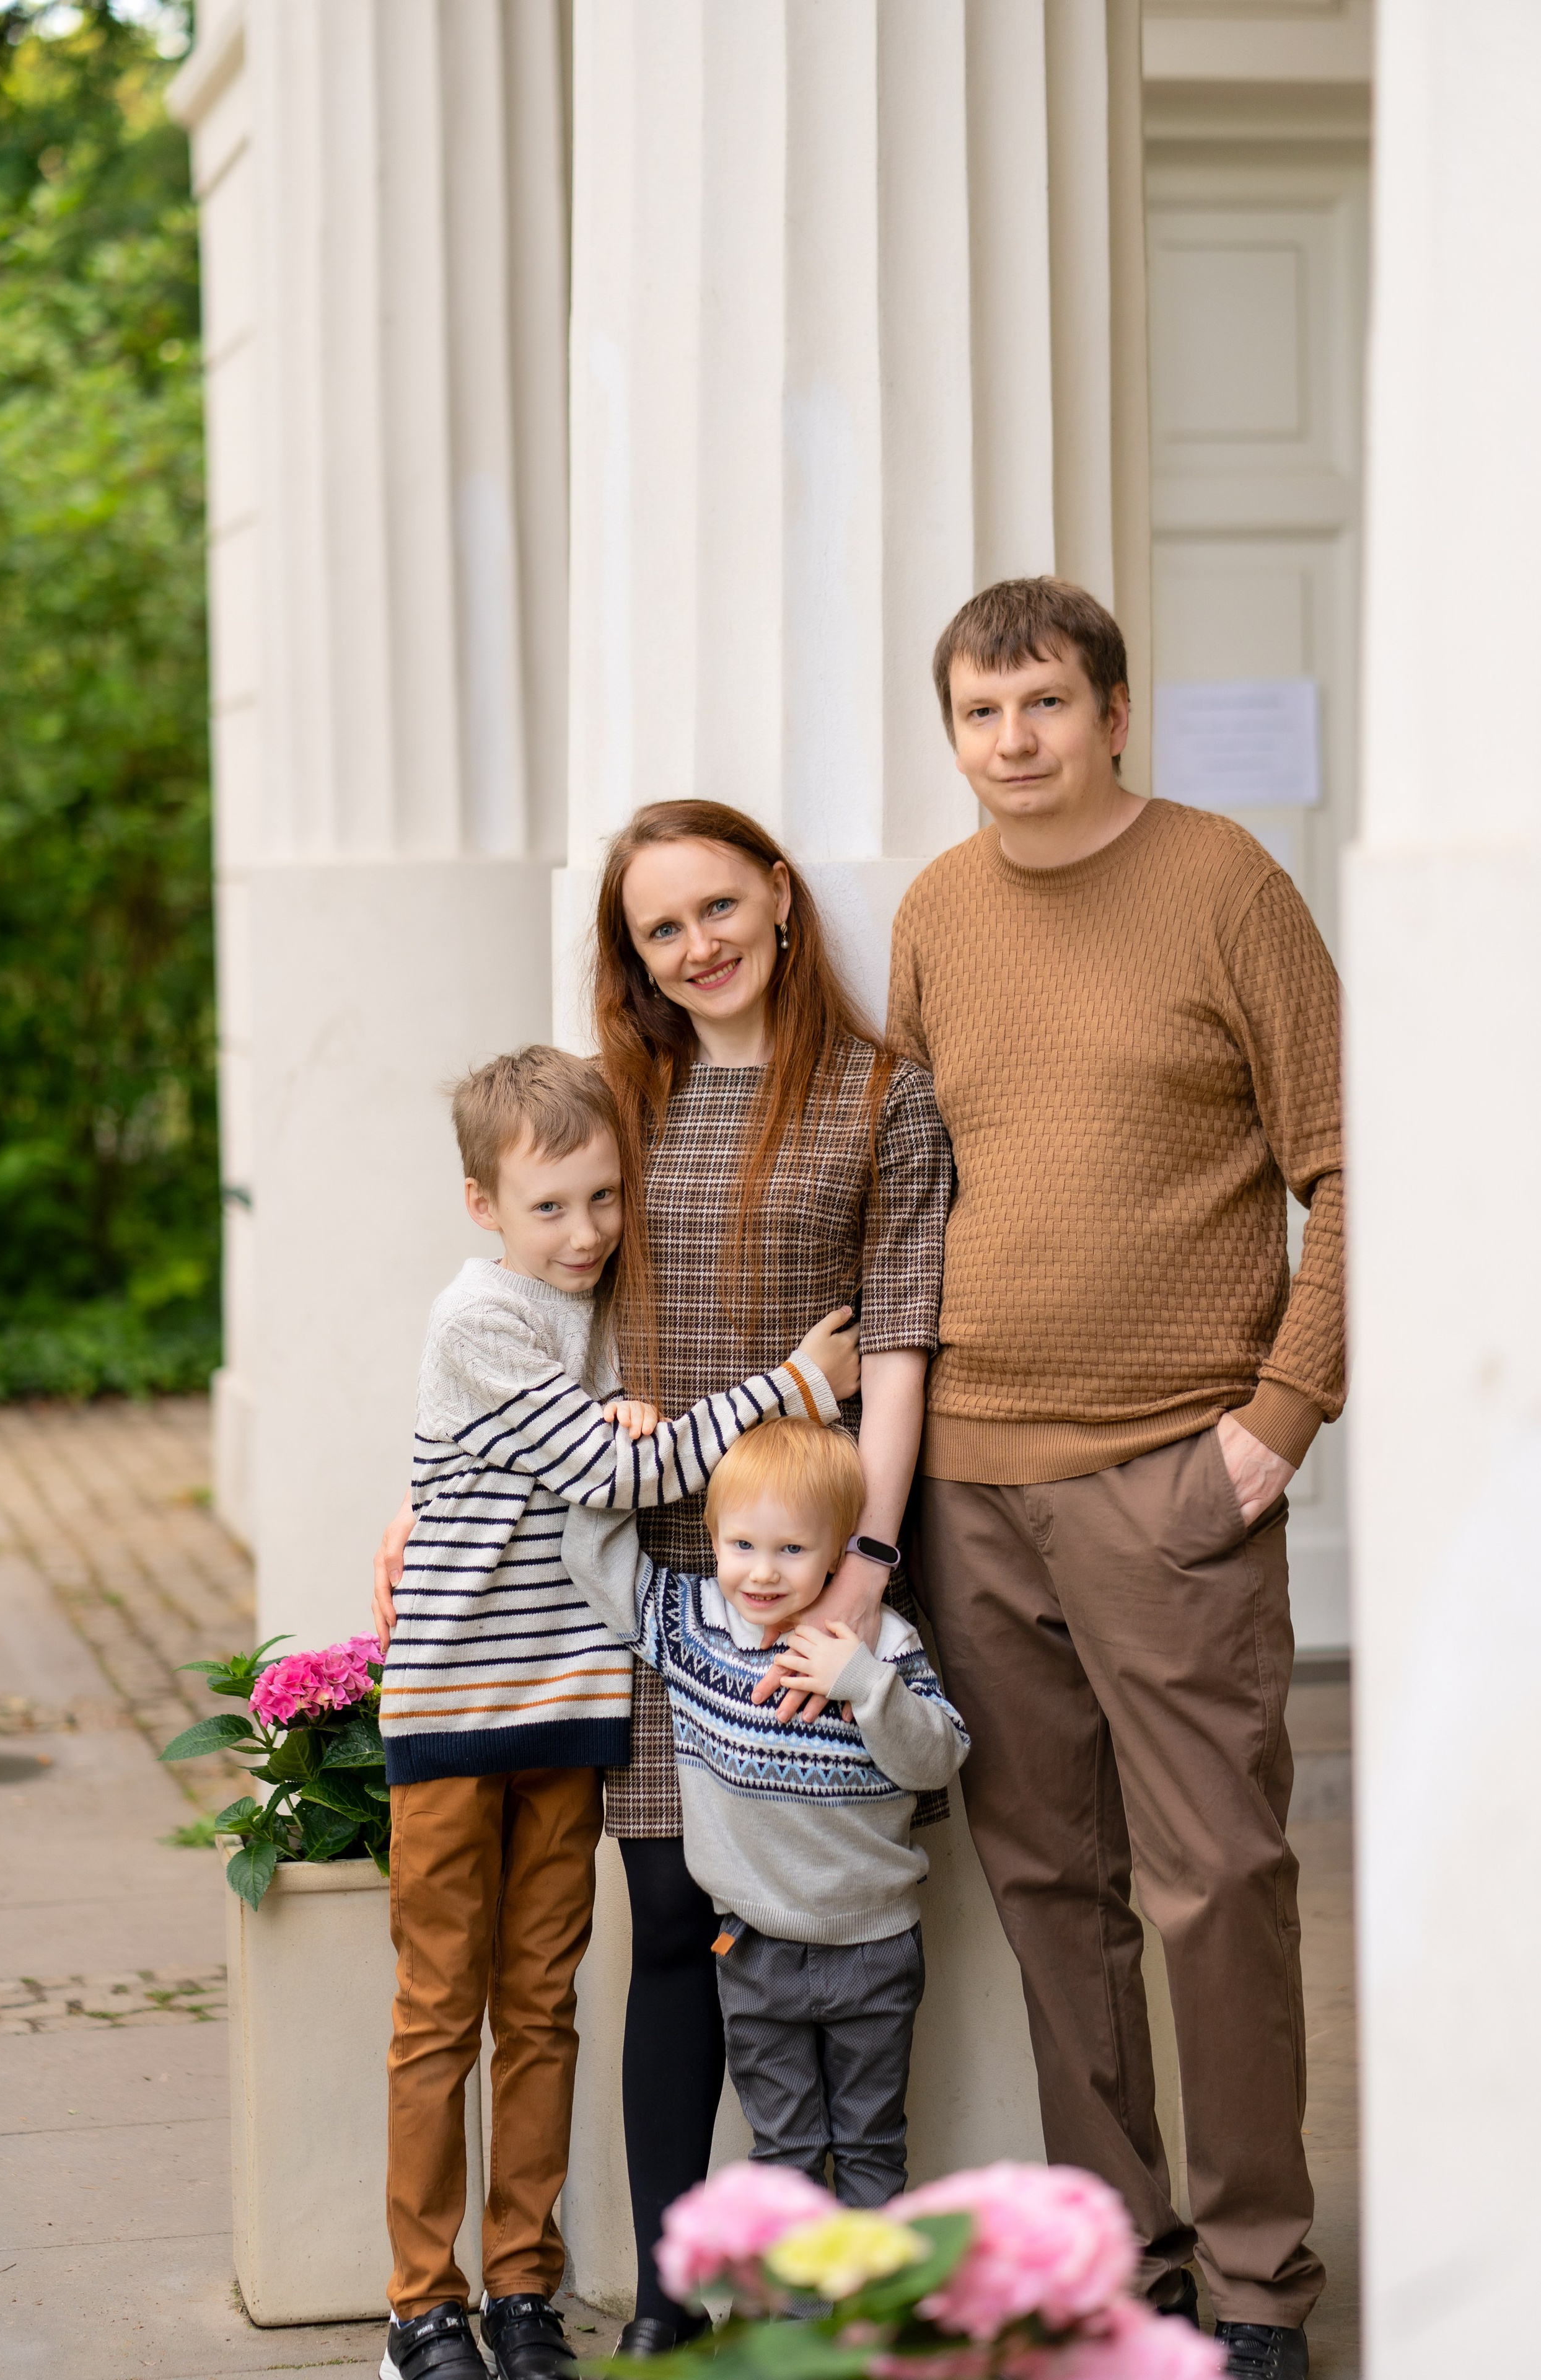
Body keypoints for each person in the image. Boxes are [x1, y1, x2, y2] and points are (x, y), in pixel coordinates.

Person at [375, 802, 952, 2356]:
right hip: (637, 1579)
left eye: (717, 907)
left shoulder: (879, 1095)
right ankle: (668, 2301)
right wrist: (429, 1497)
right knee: (664, 1920)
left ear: (779, 896)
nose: (697, 945)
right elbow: (531, 1322)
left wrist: (867, 1562)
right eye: (658, 928)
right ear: (630, 956)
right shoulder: (622, 1096)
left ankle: (824, 2286)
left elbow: (898, 1344)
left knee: (813, 1937)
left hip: (797, 1564)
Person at [882, 576, 1343, 2380]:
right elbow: (912, 1184)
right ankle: (1117, 2262)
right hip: (971, 1481)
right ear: (953, 734)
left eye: (1044, 704)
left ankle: (1254, 2285)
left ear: (1112, 715)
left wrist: (1279, 1412)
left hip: (1173, 1469)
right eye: (980, 712)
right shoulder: (936, 910)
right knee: (1047, 1890)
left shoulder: (1224, 884)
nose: (1012, 740)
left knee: (1214, 1880)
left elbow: (1350, 1160)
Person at [376, 1044, 858, 2380]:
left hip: (570, 1717)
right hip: (456, 1717)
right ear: (483, 1205)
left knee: (541, 2009)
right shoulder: (477, 1319)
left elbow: (597, 1448)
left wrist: (623, 1412)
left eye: (603, 1197)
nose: (584, 1231)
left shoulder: (594, 1315)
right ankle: (422, 2308)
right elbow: (614, 1471)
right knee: (438, 2015)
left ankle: (522, 2292)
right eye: (549, 1207)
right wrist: (794, 1389)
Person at [563, 1418, 967, 2205]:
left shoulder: (879, 1643)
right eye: (742, 1545)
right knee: (785, 2156)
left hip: (874, 1948)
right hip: (751, 1949)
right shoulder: (692, 1627)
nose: (763, 1572)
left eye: (792, 1549)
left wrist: (864, 1683)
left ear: (839, 1550)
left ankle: (873, 2289)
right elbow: (593, 1559)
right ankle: (796, 2291)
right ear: (712, 1538)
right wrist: (621, 1450)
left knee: (872, 2150)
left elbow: (938, 1759)